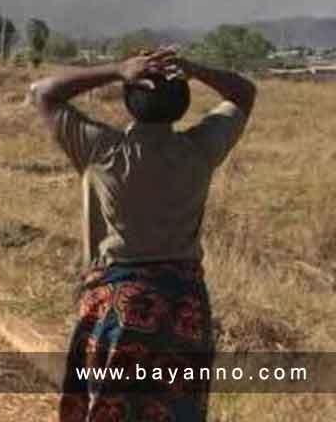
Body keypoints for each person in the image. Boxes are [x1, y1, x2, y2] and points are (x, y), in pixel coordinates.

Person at [30, 49, 256, 422]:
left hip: (119, 307)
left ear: (130, 102)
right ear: (183, 105)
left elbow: (44, 92)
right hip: (183, 307)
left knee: (108, 408)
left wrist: (118, 70)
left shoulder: (104, 151)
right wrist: (196, 69)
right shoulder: (199, 150)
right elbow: (244, 92)